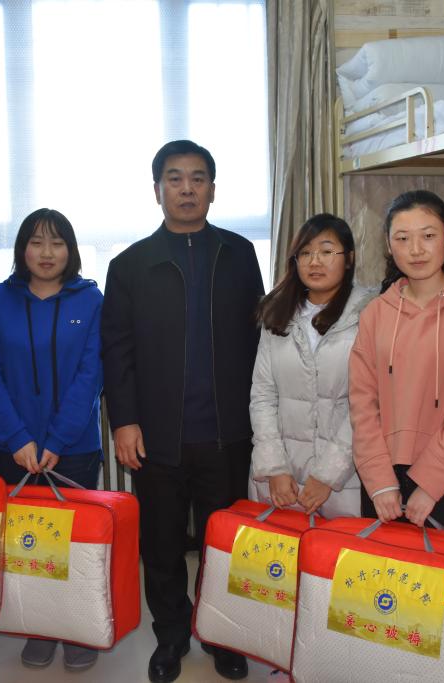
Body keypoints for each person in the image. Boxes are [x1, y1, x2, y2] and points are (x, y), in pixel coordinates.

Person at [101, 140, 264, 683]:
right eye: (175, 178)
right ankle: (170, 636)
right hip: (157, 436)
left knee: (224, 545)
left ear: (213, 189)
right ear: (157, 190)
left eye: (198, 178)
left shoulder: (238, 254)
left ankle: (221, 635)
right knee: (162, 546)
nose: (187, 189)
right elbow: (117, 350)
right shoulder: (129, 265)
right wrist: (124, 421)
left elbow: (261, 339)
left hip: (227, 433)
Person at [0, 208, 103, 672]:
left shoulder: (91, 300)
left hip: (75, 447)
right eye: (36, 242)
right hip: (13, 448)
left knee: (73, 543)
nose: (47, 252)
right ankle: (39, 627)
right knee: (27, 543)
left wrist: (58, 439)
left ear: (70, 250)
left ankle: (74, 627)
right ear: (22, 249)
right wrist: (16, 437)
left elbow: (91, 374)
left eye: (57, 242)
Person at [348, 190, 444, 537]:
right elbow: (361, 403)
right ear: (389, 245)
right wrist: (379, 480)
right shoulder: (375, 313)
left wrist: (431, 484)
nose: (416, 250)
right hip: (384, 478)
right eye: (403, 239)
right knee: (384, 570)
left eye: (428, 235)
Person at [249, 214, 374, 519]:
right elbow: (263, 395)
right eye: (305, 253)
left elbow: (370, 405)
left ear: (349, 258)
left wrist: (327, 475)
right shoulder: (277, 312)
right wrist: (274, 467)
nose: (315, 261)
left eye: (327, 251)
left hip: (345, 481)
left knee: (338, 550)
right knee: (279, 548)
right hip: (282, 481)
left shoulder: (371, 314)